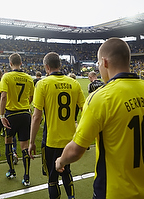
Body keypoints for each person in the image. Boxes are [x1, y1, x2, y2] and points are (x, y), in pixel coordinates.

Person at [55, 38, 144, 199]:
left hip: (111, 192)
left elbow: (76, 150)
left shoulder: (100, 98)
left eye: (98, 63)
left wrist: (61, 161)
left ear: (104, 62)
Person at [29, 52, 85, 199]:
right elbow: (85, 111)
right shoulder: (74, 83)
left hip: (51, 140)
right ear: (60, 65)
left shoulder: (42, 84)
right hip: (70, 140)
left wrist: (31, 142)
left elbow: (36, 117)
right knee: (66, 171)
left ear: (47, 67)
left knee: (52, 178)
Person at [0, 53, 34, 186]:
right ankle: (26, 177)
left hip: (11, 115)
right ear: (21, 62)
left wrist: (2, 115)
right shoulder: (28, 78)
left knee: (8, 142)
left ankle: (12, 171)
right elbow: (30, 98)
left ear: (10, 63)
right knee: (24, 146)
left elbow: (3, 97)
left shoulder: (7, 76)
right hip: (25, 114)